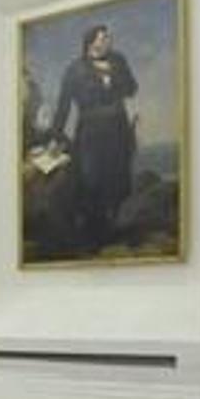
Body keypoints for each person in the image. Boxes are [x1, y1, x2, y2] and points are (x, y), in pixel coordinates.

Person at [47, 24, 138, 248]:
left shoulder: (118, 60)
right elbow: (63, 106)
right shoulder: (74, 69)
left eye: (108, 37)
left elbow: (132, 89)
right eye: (103, 37)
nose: (107, 41)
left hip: (118, 128)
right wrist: (55, 136)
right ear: (91, 41)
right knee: (90, 179)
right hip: (90, 132)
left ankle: (110, 227)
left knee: (116, 177)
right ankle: (92, 232)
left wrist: (112, 78)